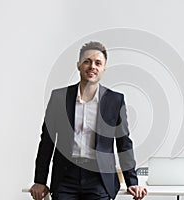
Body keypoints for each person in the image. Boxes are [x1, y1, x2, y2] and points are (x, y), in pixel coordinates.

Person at [30, 41, 147, 200]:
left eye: (98, 63)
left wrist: (132, 181)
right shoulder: (59, 98)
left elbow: (123, 142)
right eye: (87, 61)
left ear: (104, 68)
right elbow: (47, 142)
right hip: (65, 178)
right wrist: (40, 181)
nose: (92, 66)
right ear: (79, 65)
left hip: (99, 179)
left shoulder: (115, 100)